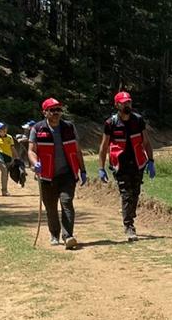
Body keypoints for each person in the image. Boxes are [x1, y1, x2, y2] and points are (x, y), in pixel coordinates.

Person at [29, 97, 88, 249]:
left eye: (58, 110)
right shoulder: (37, 129)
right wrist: (35, 163)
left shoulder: (69, 127)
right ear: (45, 112)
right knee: (51, 208)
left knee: (67, 202)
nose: (56, 113)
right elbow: (31, 151)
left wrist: (83, 170)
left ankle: (68, 235)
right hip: (46, 176)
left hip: (67, 174)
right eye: (52, 110)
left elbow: (77, 150)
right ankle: (54, 233)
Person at [100, 91, 155, 242]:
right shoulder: (110, 123)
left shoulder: (138, 120)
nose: (127, 105)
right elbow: (104, 146)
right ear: (117, 105)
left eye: (129, 102)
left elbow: (146, 142)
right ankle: (129, 225)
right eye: (124, 103)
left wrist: (151, 161)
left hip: (138, 162)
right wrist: (101, 168)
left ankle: (130, 217)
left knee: (135, 193)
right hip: (120, 163)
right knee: (126, 193)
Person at [0, 122, 17, 195]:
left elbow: (12, 148)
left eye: (5, 128)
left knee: (6, 173)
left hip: (8, 158)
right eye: (2, 129)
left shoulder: (9, 137)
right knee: (4, 171)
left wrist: (17, 157)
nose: (5, 130)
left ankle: (5, 189)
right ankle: (4, 190)